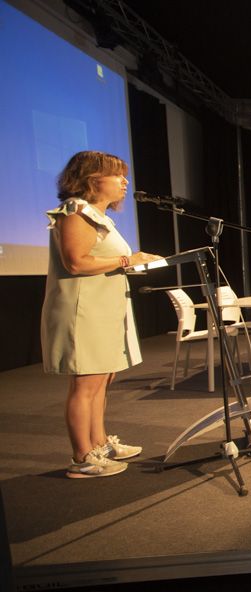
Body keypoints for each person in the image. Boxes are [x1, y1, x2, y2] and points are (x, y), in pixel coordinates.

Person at [41, 151, 161, 478]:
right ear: (93, 180)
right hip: (83, 310)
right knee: (86, 383)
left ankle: (99, 443)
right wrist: (127, 261)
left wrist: (133, 262)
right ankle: (82, 458)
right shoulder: (75, 210)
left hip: (103, 308)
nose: (125, 182)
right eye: (117, 176)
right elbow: (76, 262)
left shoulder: (99, 215)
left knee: (101, 380)